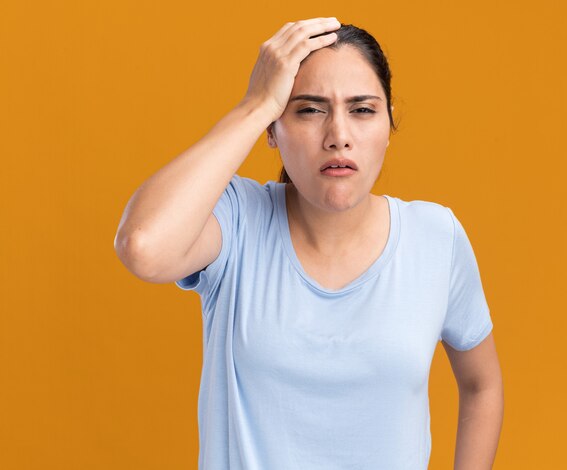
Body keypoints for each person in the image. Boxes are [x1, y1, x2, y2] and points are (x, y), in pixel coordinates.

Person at [114, 17, 504, 470]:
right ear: (272, 130)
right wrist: (256, 104)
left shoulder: (437, 238)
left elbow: (482, 386)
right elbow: (143, 245)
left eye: (362, 109)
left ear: (389, 121)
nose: (339, 135)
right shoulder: (238, 220)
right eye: (309, 109)